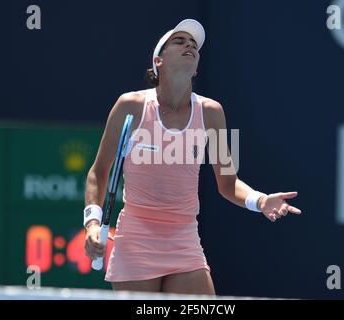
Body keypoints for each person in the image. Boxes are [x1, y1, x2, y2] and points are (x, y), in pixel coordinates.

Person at [83, 19, 302, 295]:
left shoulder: (212, 112)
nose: (189, 45)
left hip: (184, 239)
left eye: (194, 45)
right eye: (179, 41)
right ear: (158, 61)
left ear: (196, 68)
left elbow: (228, 182)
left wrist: (260, 200)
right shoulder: (130, 105)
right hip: (136, 239)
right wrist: (92, 224)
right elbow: (99, 172)